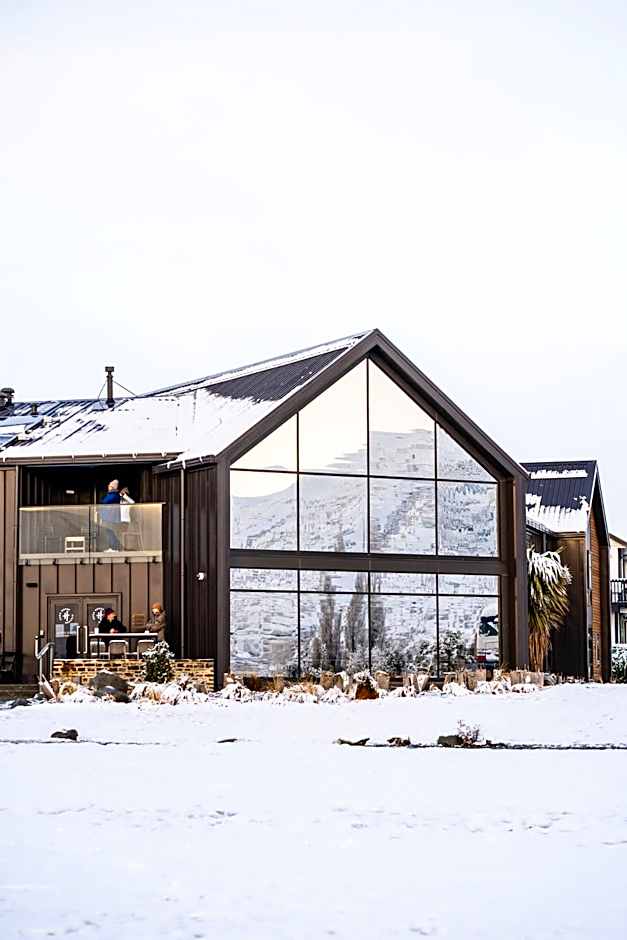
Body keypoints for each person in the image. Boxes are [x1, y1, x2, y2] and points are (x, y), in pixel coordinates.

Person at [99, 480, 121, 551]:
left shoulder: (113, 495)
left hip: (110, 518)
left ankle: (114, 548)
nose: (108, 487)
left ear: (112, 487)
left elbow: (104, 501)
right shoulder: (112, 494)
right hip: (108, 517)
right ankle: (112, 547)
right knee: (109, 533)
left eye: (109, 485)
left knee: (110, 533)